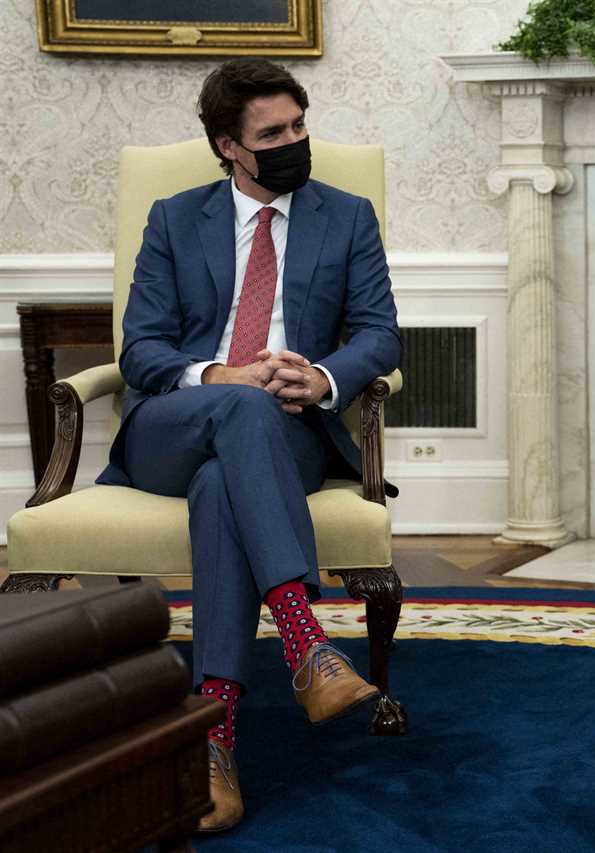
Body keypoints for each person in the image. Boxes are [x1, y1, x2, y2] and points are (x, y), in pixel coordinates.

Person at [97, 58, 401, 833]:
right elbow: (142, 350)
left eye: (300, 125)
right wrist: (225, 374)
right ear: (230, 146)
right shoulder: (175, 217)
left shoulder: (347, 214)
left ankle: (217, 743)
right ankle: (305, 641)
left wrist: (323, 378)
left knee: (220, 487)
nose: (295, 141)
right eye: (273, 133)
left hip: (287, 430)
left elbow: (379, 332)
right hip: (175, 423)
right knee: (236, 406)